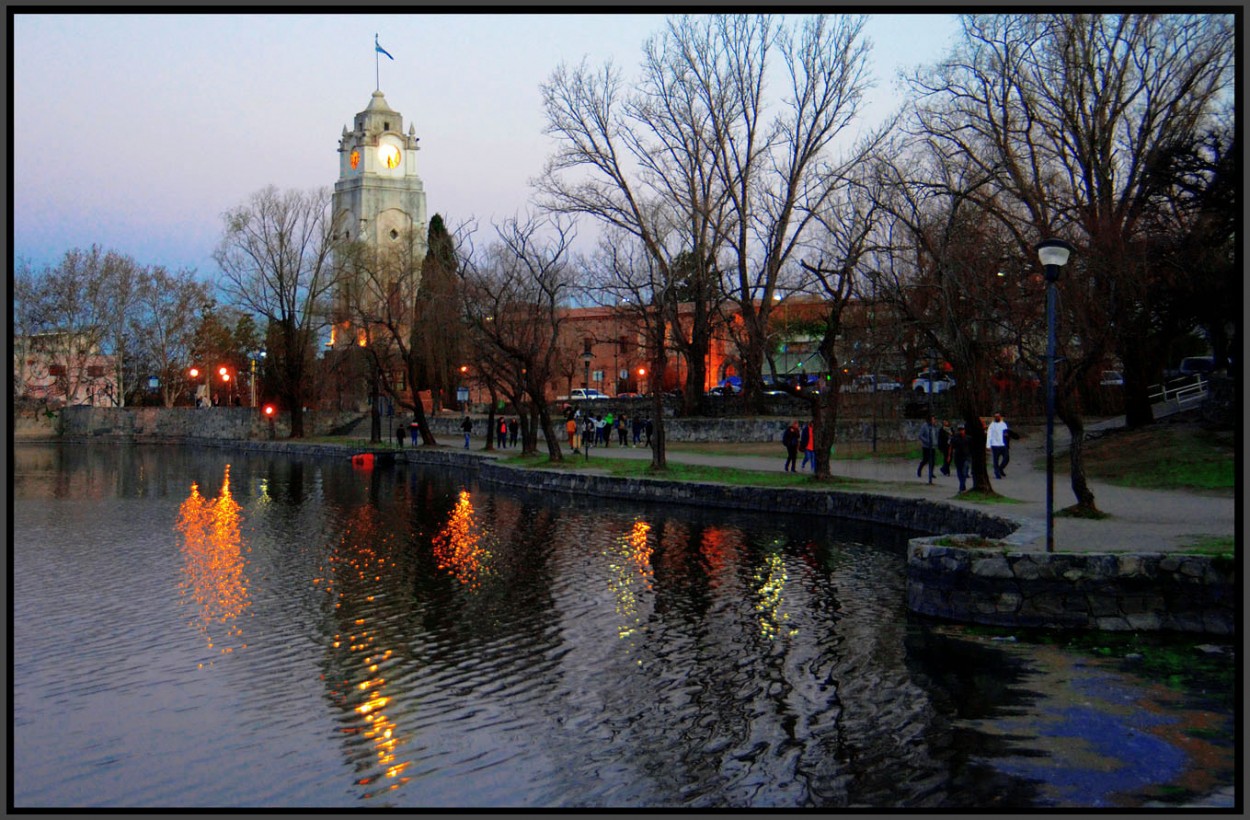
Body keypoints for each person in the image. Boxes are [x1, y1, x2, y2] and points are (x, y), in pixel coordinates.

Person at [950, 423, 972, 492]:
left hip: (966, 457)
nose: (961, 431)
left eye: (962, 430)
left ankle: (962, 485)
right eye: (960, 430)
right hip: (958, 457)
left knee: (964, 472)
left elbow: (972, 447)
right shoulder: (955, 438)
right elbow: (951, 447)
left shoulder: (968, 438)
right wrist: (949, 455)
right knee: (959, 472)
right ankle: (962, 485)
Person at [986, 412, 1009, 479]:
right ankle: (997, 473)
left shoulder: (1004, 424)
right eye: (996, 416)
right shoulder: (992, 425)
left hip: (1003, 445)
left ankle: (1000, 468)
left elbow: (1006, 434)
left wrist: (1007, 442)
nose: (997, 418)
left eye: (998, 416)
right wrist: (988, 445)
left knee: (1006, 458)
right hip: (995, 445)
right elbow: (989, 435)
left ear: (1000, 417)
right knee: (995, 460)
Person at [917, 415, 938, 484]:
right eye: (932, 419)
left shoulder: (934, 427)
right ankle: (919, 470)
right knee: (925, 459)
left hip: (933, 446)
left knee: (933, 460)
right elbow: (920, 435)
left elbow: (936, 435)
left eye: (934, 420)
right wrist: (926, 441)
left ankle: (931, 473)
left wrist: (936, 442)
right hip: (926, 446)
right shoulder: (925, 426)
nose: (934, 421)